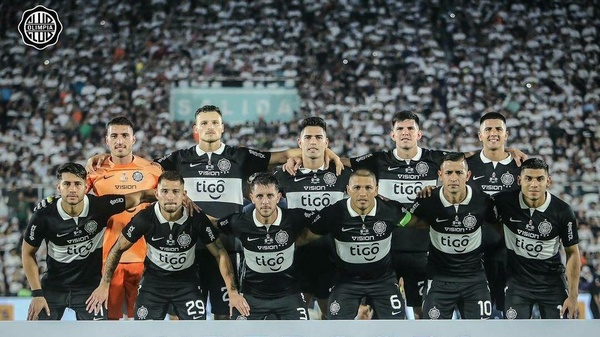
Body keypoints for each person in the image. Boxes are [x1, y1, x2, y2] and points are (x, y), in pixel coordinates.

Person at [89, 104, 341, 319]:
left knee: (224, 313)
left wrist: (325, 151)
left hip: (226, 248)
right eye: (204, 123)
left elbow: (285, 154)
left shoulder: (239, 156)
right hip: (187, 248)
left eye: (215, 123)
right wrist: (107, 154)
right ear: (196, 130)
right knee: (181, 314)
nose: (210, 127)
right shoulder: (178, 158)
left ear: (222, 128)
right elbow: (141, 165)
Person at [85, 171, 248, 320]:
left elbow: (219, 252)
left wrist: (232, 292)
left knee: (197, 331)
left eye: (176, 192)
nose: (170, 197)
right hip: (153, 283)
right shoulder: (144, 218)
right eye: (165, 191)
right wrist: (104, 284)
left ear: (184, 195)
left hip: (187, 283)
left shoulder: (196, 218)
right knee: (144, 331)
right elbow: (118, 248)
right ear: (156, 193)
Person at [21, 162, 156, 320]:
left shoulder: (99, 207)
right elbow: (27, 253)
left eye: (77, 184)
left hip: (90, 290)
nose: (72, 189)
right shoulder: (43, 216)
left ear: (86, 187)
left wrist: (175, 195)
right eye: (67, 184)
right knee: (37, 332)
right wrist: (37, 294)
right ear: (58, 187)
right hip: (53, 288)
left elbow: (141, 196)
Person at [401, 153, 497, 319]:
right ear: (440, 176)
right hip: (439, 279)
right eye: (448, 173)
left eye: (459, 173)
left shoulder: (483, 201)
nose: (453, 178)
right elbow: (409, 220)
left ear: (467, 175)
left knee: (482, 331)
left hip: (474, 279)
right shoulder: (427, 200)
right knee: (433, 332)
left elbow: (500, 225)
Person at [210, 173, 319, 320]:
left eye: (270, 195)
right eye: (260, 196)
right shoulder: (239, 222)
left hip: (289, 296)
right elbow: (212, 224)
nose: (265, 202)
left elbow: (328, 221)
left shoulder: (294, 217)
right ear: (252, 197)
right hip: (251, 297)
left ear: (278, 197)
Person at [273, 116, 351, 319]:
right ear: (300, 143)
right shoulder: (284, 175)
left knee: (334, 322)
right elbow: (256, 192)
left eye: (318, 137)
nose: (313, 141)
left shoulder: (343, 174)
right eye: (308, 137)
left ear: (326, 142)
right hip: (297, 258)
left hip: (335, 259)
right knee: (297, 323)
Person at [86, 116, 162, 320]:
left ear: (134, 139)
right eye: (114, 136)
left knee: (145, 323)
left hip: (146, 260)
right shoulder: (94, 173)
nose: (120, 141)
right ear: (107, 140)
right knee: (111, 324)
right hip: (110, 261)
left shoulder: (152, 170)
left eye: (124, 135)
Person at [306, 169, 405, 320]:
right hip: (346, 282)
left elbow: (416, 223)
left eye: (368, 188)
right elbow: (307, 235)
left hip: (383, 281)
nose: (363, 193)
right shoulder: (333, 213)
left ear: (376, 190)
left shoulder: (392, 210)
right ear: (348, 190)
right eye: (357, 187)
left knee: (395, 329)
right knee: (337, 329)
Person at [493, 158, 581, 319]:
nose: (534, 184)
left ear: (548, 181)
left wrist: (574, 296)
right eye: (528, 178)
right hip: (517, 283)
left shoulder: (562, 211)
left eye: (540, 179)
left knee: (560, 332)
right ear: (519, 180)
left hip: (552, 284)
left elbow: (573, 252)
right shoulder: (504, 202)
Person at [466, 112, 522, 318]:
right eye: (488, 129)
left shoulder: (520, 167)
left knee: (513, 317)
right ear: (479, 135)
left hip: (512, 255)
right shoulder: (465, 166)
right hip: (475, 255)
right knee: (479, 318)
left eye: (498, 129)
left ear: (506, 134)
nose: (493, 133)